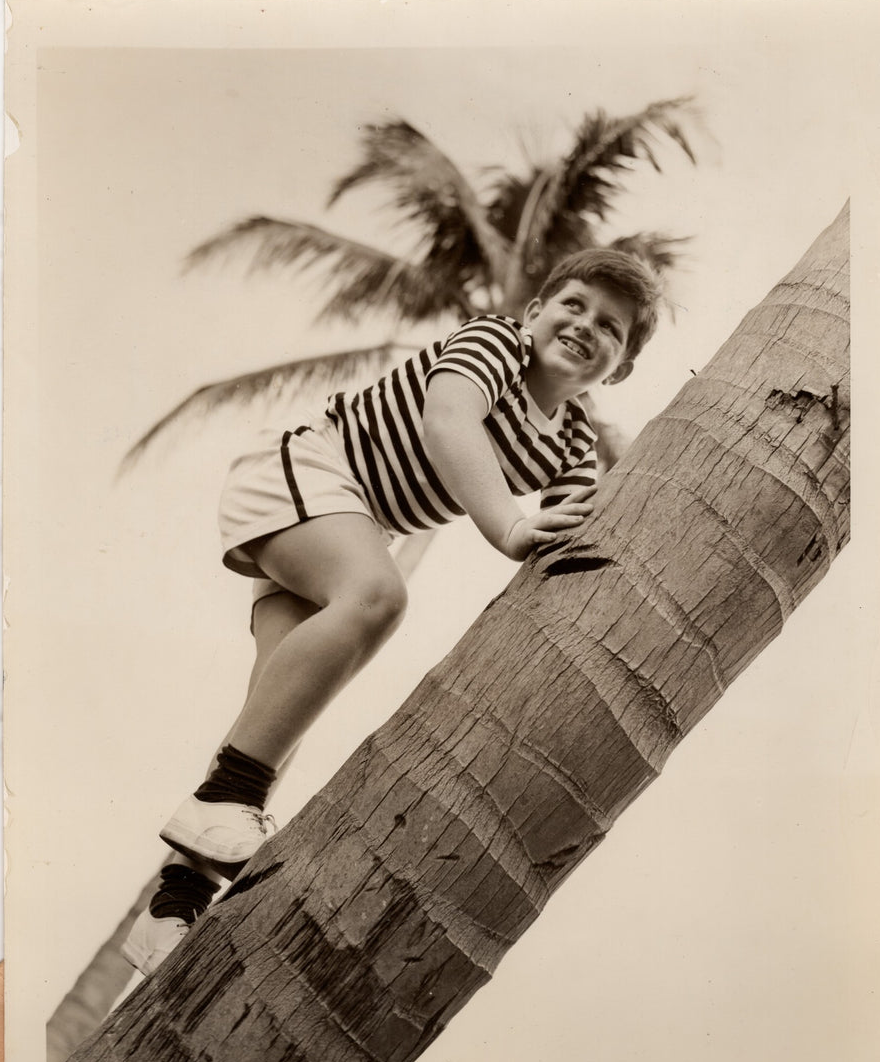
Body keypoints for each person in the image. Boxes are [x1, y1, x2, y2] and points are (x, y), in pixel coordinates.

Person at [121, 247, 662, 974]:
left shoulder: (570, 441)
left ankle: (171, 908)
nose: (585, 324)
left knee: (274, 720)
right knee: (377, 597)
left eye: (611, 327)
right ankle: (207, 833)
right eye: (573, 304)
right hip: (310, 469)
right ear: (534, 312)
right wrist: (506, 523)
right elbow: (447, 419)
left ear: (619, 368)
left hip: (346, 525)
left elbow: (573, 542)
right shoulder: (494, 339)